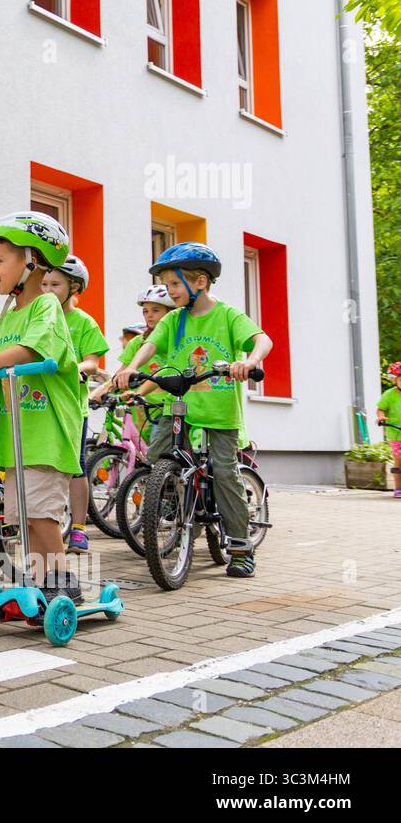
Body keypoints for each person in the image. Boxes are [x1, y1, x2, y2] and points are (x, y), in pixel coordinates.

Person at [111, 242, 273, 578]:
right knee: (156, 459)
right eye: (167, 285)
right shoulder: (173, 320)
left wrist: (249, 361)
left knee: (225, 472)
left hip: (218, 411)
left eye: (173, 284)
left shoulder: (226, 316)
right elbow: (149, 345)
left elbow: (262, 340)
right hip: (179, 406)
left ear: (199, 282)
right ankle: (176, 504)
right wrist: (131, 368)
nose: (169, 292)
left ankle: (241, 547)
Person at [0, 211, 84, 604]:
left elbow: (30, 350)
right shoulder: (10, 313)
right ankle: (40, 579)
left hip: (46, 433)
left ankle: (63, 584)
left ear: (31, 261)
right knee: (22, 515)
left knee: (40, 513)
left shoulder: (46, 307)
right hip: (18, 436)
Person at [40, 255, 109, 554]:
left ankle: (79, 528)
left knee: (76, 468)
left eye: (55, 284)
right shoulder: (37, 317)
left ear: (74, 287)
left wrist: (75, 368)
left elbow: (93, 361)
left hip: (70, 407)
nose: (47, 290)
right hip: (38, 407)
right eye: (43, 284)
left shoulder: (83, 322)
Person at [93, 285, 175, 436]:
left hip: (165, 409)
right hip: (140, 409)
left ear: (171, 313)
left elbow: (164, 373)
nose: (149, 315)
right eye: (145, 311)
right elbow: (121, 373)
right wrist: (99, 393)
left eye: (155, 310)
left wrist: (139, 392)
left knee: (156, 454)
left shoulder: (175, 341)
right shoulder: (137, 343)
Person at [376, 361, 401, 499]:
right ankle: (398, 489)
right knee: (399, 460)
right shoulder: (389, 395)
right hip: (396, 433)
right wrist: (381, 417)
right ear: (395, 380)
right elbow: (381, 409)